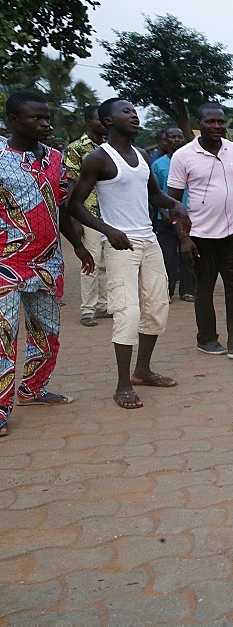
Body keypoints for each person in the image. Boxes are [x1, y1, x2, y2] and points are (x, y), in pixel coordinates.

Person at [69, 98, 191, 409]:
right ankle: (123, 384)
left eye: (135, 112)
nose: (134, 116)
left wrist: (174, 204)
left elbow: (153, 193)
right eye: (126, 112)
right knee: (127, 312)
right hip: (120, 245)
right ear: (107, 121)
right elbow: (74, 205)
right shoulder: (99, 159)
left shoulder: (141, 154)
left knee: (157, 307)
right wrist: (108, 230)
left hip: (149, 241)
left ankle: (143, 371)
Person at [0, 91, 95, 436]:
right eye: (35, 118)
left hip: (47, 262)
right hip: (5, 263)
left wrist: (80, 247)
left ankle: (32, 388)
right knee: (3, 337)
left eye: (46, 117)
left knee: (47, 333)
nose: (45, 124)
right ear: (13, 120)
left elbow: (62, 208)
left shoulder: (55, 159)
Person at [167, 103, 233, 360]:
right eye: (210, 122)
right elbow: (173, 203)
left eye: (220, 122)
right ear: (199, 125)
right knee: (205, 288)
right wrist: (184, 238)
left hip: (231, 234)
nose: (217, 126)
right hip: (199, 237)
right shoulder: (183, 156)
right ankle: (207, 339)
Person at [63, 104, 110, 326]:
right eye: (99, 119)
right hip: (88, 213)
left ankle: (103, 305)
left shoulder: (112, 146)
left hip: (111, 213)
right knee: (90, 260)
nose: (104, 123)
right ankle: (88, 309)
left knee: (107, 263)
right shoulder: (76, 148)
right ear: (89, 122)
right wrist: (74, 218)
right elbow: (70, 184)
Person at [151, 126, 196, 302]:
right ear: (166, 140)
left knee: (189, 255)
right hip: (166, 220)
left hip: (189, 217)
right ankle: (167, 292)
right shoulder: (158, 164)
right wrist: (164, 212)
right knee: (168, 257)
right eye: (172, 137)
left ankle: (188, 290)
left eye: (180, 137)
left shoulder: (190, 161)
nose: (177, 140)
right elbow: (155, 192)